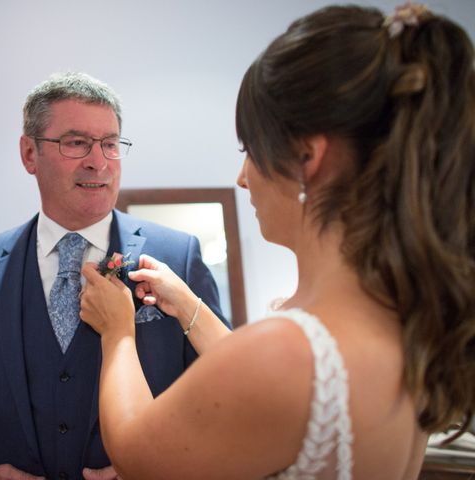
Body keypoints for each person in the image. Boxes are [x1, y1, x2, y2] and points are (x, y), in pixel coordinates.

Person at [79, 4, 475, 479]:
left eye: (249, 150)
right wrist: (188, 307)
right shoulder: (400, 315)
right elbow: (275, 399)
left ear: (307, 156)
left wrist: (118, 332)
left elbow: (136, 453)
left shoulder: (288, 353)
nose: (242, 178)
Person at [0, 72, 228, 480]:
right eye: (76, 142)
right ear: (29, 153)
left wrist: (163, 465)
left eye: (110, 144)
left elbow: (216, 389)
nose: (99, 161)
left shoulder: (177, 256)